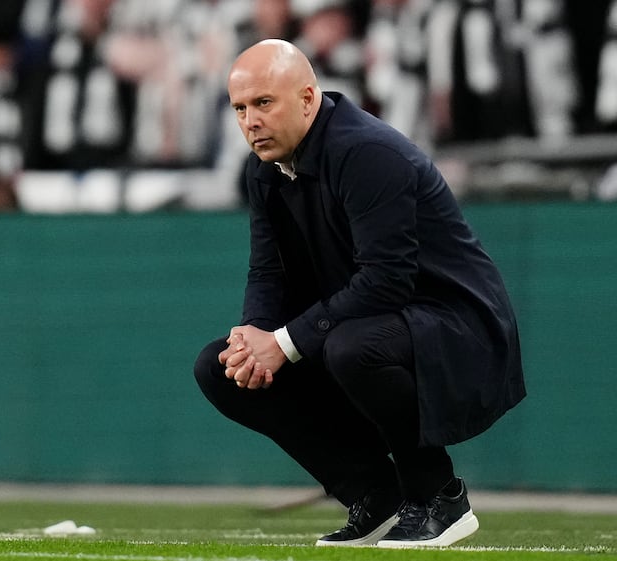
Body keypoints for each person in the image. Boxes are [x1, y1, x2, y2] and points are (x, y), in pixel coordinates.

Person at [193, 39, 525, 548]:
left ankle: (440, 496)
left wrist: (281, 344)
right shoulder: (265, 172)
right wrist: (252, 335)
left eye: (264, 103)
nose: (250, 121)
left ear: (307, 99)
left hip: (458, 329)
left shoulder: (365, 152)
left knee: (350, 347)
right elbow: (268, 271)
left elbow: (387, 279)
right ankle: (374, 494)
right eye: (240, 108)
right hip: (368, 325)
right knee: (220, 368)